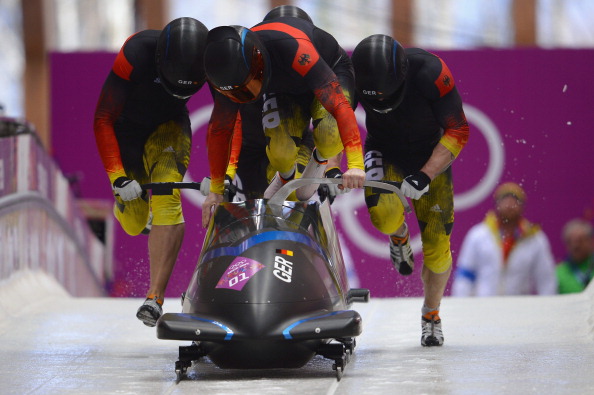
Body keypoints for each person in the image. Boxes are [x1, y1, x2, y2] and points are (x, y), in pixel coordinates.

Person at [351, 34, 470, 346]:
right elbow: (338, 119)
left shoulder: (431, 72)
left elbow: (458, 129)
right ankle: (398, 234)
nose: (380, 104)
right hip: (383, 150)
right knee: (383, 216)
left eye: (386, 96)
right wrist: (341, 163)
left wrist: (427, 173)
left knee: (437, 249)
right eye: (372, 100)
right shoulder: (351, 77)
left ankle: (431, 314)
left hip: (430, 155)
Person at [200, 8, 365, 228]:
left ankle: (319, 159)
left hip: (328, 72)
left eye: (247, 87)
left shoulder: (295, 49)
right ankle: (286, 178)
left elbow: (339, 106)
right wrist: (216, 190)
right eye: (238, 92)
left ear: (258, 62)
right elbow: (221, 131)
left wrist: (356, 164)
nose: (245, 96)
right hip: (284, 87)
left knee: (329, 135)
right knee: (280, 153)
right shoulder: (224, 78)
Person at [93, 17, 208, 327]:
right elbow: (103, 118)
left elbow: (227, 118)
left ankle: (154, 297)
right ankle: (136, 214)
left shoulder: (212, 58)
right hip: (125, 132)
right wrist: (117, 176)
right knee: (132, 221)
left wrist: (224, 173)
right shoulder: (136, 52)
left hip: (168, 128)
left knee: (168, 193)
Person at [452, 182, 557, 297]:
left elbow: (546, 279)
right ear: (496, 205)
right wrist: (462, 304)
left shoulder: (536, 239)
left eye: (515, 200)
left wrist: (546, 307)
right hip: (484, 307)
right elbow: (465, 275)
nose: (509, 204)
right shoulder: (478, 235)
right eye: (505, 200)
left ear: (522, 206)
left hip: (520, 308)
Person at [556, 219, 594, 294]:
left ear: (591, 241)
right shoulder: (558, 273)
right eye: (570, 241)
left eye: (580, 240)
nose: (575, 245)